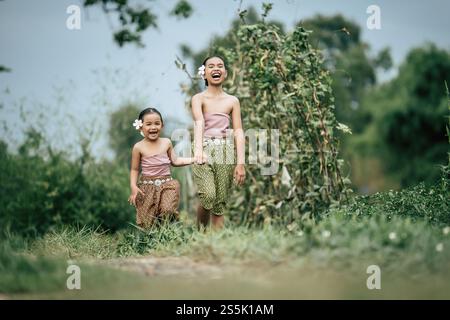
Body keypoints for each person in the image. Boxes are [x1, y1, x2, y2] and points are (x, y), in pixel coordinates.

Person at [191, 56, 246, 230]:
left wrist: (240, 163)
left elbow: (238, 131)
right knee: (208, 195)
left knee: (219, 201)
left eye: (220, 66)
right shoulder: (198, 99)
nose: (216, 69)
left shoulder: (232, 101)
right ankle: (200, 234)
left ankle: (216, 243)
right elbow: (199, 122)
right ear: (204, 74)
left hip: (226, 150)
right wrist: (199, 151)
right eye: (211, 66)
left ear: (225, 73)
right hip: (204, 147)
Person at [128, 107, 203, 228]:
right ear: (141, 127)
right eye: (148, 124)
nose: (153, 127)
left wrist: (194, 159)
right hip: (146, 187)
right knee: (148, 222)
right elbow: (135, 169)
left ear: (162, 125)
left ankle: (169, 225)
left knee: (167, 210)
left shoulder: (166, 142)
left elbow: (175, 160)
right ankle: (156, 239)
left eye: (157, 123)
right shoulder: (138, 147)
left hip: (167, 185)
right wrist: (133, 186)